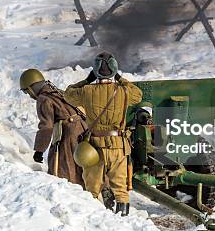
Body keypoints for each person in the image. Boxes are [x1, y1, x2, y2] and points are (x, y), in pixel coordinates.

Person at [64, 52, 142, 216]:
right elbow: (138, 94)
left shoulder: (86, 91)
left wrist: (87, 80)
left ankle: (93, 222)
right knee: (121, 190)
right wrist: (120, 78)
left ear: (95, 71)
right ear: (114, 70)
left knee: (91, 189)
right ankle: (124, 221)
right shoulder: (124, 91)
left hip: (94, 147)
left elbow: (68, 94)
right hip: (118, 146)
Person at [19, 68, 86, 187]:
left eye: (27, 91)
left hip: (68, 134)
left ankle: (70, 192)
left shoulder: (44, 99)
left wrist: (39, 150)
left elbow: (46, 126)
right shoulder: (56, 91)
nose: (29, 95)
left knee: (63, 165)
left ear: (31, 87)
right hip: (82, 128)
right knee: (81, 163)